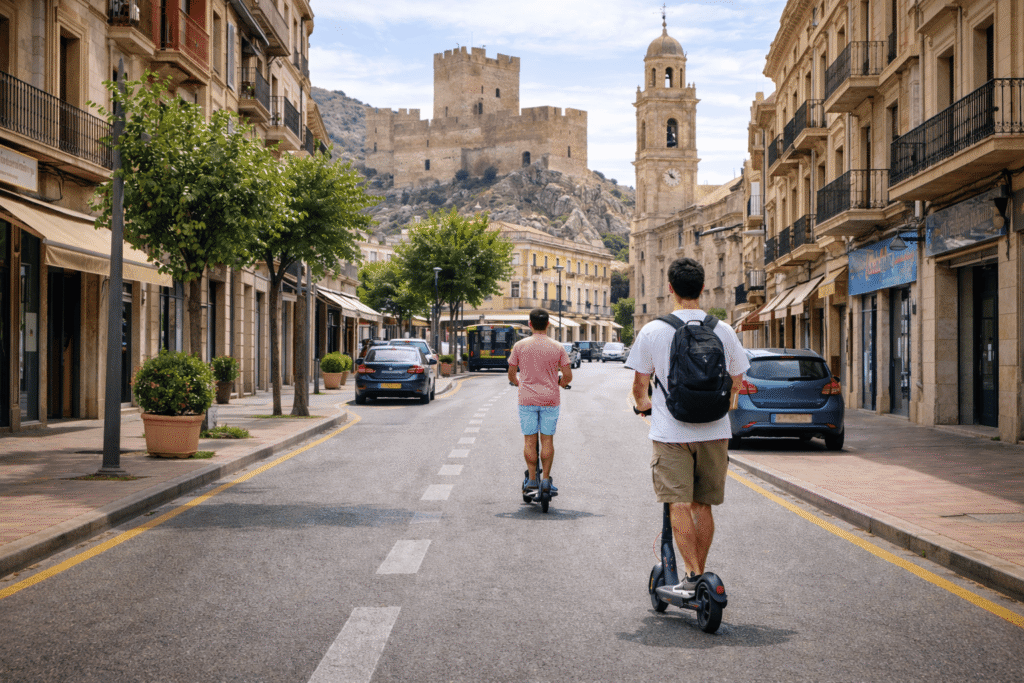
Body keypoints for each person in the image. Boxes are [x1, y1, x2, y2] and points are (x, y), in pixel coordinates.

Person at [626, 257, 748, 598]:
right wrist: (725, 406)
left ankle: (692, 574)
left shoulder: (653, 330)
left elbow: (640, 386)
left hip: (671, 433)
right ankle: (701, 577)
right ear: (703, 287)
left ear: (670, 289)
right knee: (702, 506)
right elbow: (738, 379)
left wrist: (643, 406)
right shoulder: (722, 329)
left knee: (678, 505)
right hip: (715, 431)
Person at [507, 308, 572, 493]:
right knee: (547, 440)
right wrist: (560, 383)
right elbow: (568, 375)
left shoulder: (520, 346)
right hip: (550, 400)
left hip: (527, 400)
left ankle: (532, 480)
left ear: (530, 324)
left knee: (529, 441)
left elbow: (511, 374)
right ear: (548, 324)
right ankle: (545, 481)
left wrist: (519, 383)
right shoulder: (557, 347)